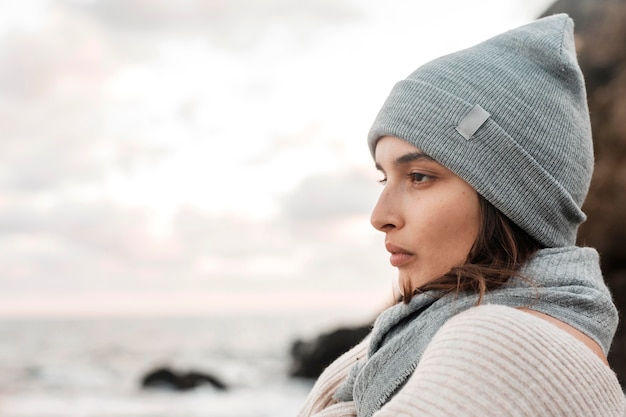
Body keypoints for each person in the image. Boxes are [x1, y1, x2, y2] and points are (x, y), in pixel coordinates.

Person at [297, 13, 626, 417]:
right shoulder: (447, 332)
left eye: (419, 176)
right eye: (385, 178)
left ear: (510, 195)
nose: (380, 216)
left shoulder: (499, 346)